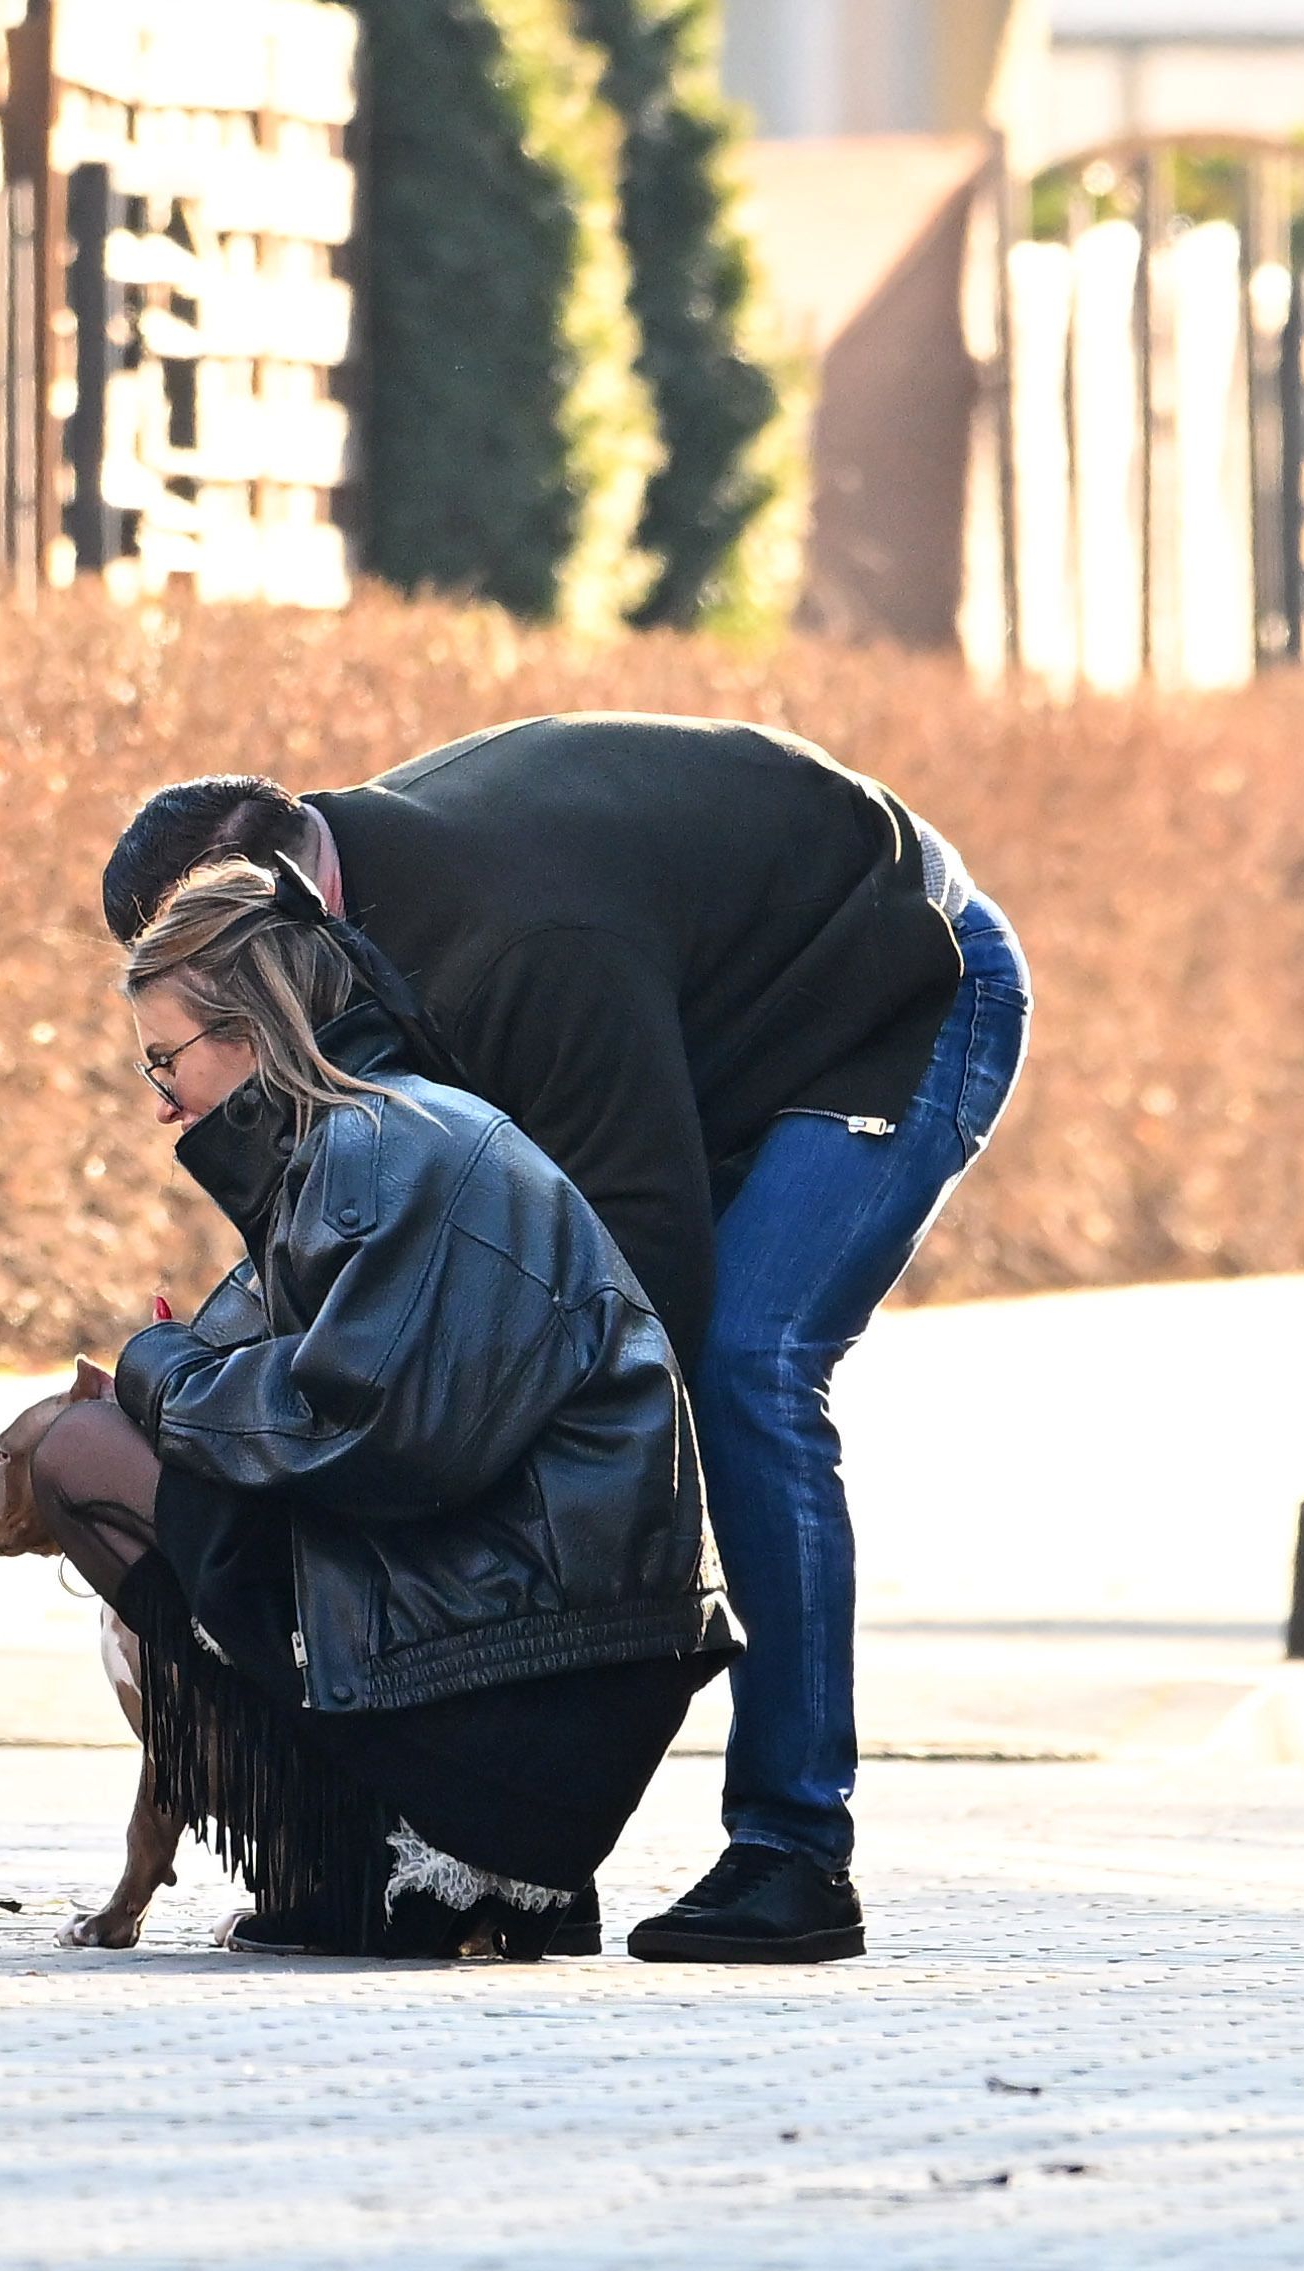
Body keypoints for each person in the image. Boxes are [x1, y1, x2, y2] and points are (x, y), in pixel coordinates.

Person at [99, 715, 1033, 1963]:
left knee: (741, 1369)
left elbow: (635, 1253)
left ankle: (794, 1850)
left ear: (282, 903)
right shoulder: (346, 923)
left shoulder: (516, 948)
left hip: (898, 990)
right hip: (696, 1003)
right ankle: (515, 1872)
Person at [18, 855, 737, 1958]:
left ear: (247, 1031)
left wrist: (156, 1375)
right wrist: (177, 1374)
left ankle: (377, 1870)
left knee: (76, 1455)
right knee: (123, 1449)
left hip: (529, 1692)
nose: (161, 1100)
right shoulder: (385, 1136)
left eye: (163, 1059)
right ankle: (399, 1871)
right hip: (550, 1661)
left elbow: (348, 1427)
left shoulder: (381, 1148)